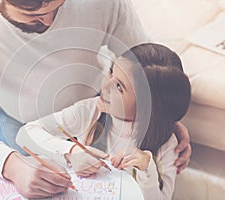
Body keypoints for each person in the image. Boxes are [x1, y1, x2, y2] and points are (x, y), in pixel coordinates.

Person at [0, 0, 190, 198]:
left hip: (93, 107)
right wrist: (11, 165)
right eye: (34, 16)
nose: (51, 22)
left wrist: (161, 113)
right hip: (16, 116)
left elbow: (143, 60)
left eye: (59, 5)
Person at [18, 43, 191, 199]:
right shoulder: (91, 110)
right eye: (110, 73)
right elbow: (25, 134)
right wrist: (70, 152)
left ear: (147, 106)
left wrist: (147, 170)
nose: (105, 85)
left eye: (119, 87)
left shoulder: (167, 145)